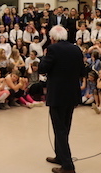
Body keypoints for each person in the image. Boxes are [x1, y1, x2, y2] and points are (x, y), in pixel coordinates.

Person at [39, 25, 85, 173]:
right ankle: (60, 155)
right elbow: (82, 70)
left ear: (52, 38)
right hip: (72, 93)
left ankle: (68, 165)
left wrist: (44, 57)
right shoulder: (76, 49)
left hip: (58, 94)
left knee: (59, 129)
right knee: (65, 127)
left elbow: (42, 69)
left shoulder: (52, 49)